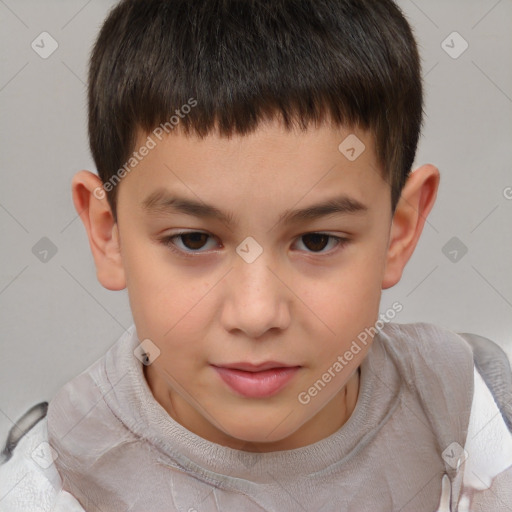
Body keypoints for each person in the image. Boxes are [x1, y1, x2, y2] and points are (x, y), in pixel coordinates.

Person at [1, 0, 511, 510]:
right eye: (194, 240)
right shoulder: (58, 482)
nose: (256, 313)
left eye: (317, 241)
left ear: (399, 231)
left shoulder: (467, 411)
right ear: (107, 232)